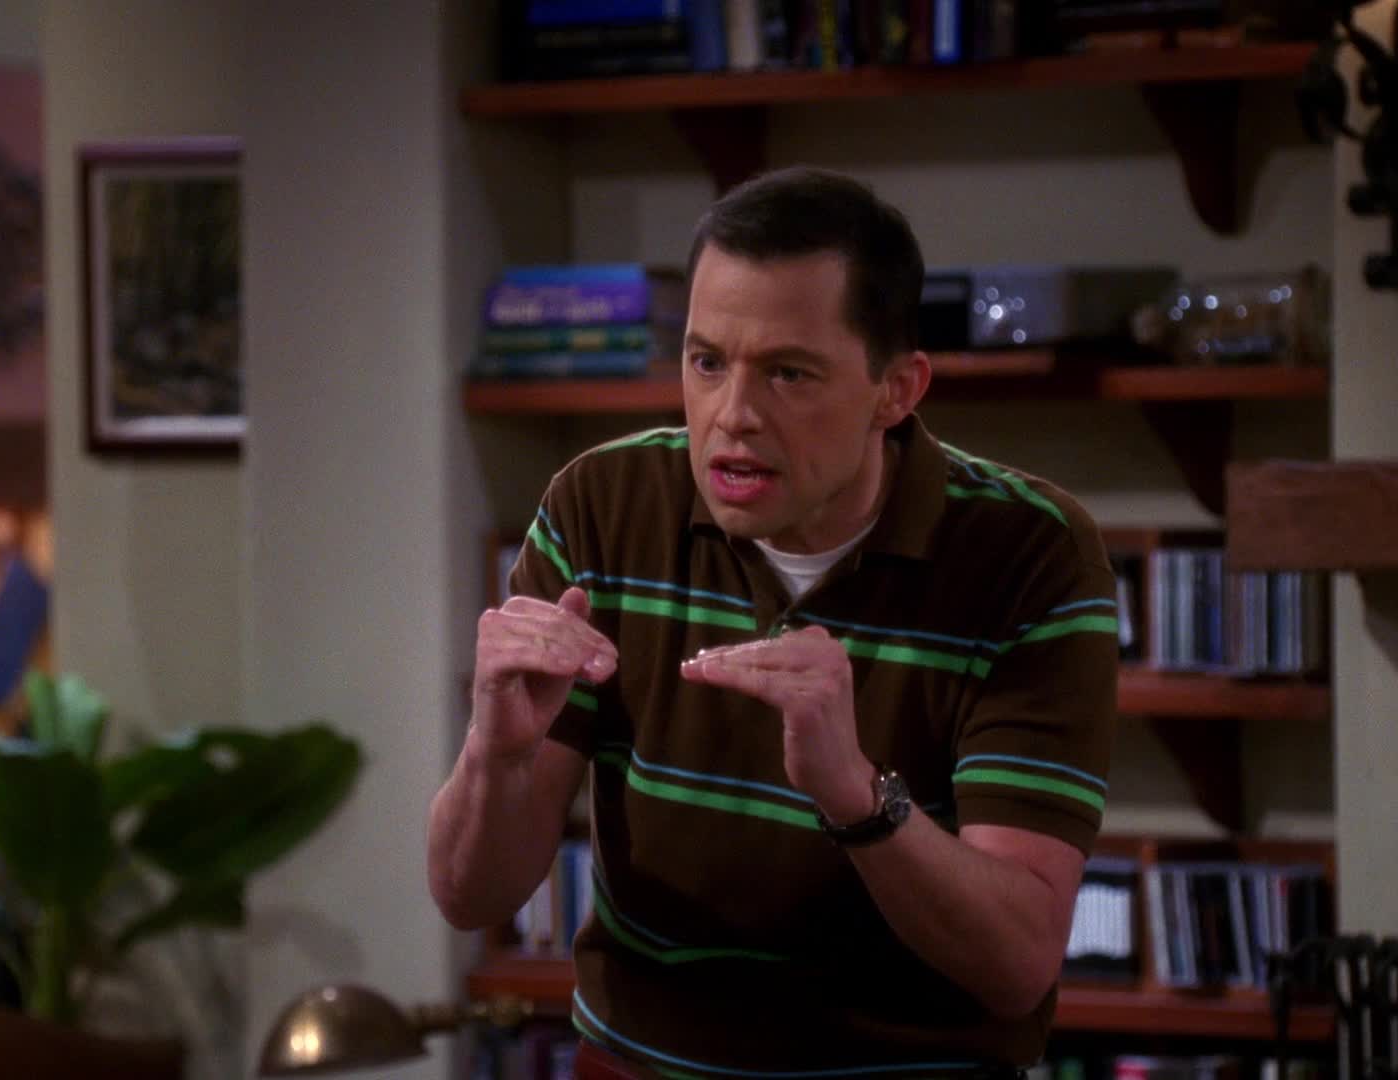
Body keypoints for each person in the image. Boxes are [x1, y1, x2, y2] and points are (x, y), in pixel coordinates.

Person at [428, 167, 1118, 1078]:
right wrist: (497, 755)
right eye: (707, 362)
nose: (734, 416)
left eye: (789, 373)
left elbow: (1017, 963)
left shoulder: (1031, 552)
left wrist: (854, 795)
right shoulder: (601, 506)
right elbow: (468, 898)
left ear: (896, 390)